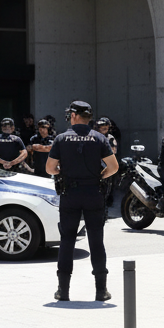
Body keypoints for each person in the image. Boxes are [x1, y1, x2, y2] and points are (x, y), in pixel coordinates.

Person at [47, 100, 118, 302]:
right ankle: (101, 290)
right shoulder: (99, 138)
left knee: (67, 240)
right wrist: (98, 176)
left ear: (74, 116)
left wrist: (65, 173)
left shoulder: (61, 138)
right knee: (96, 241)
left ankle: (63, 291)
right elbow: (113, 167)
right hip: (94, 192)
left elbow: (50, 168)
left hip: (70, 193)